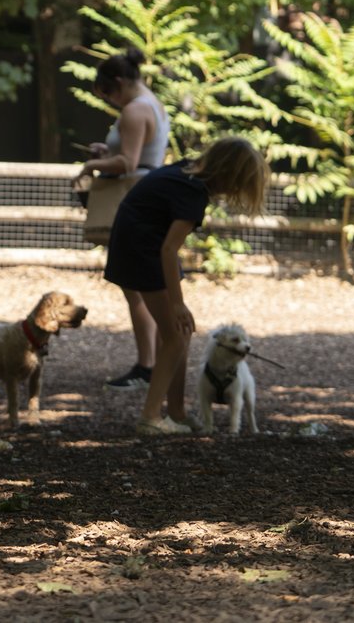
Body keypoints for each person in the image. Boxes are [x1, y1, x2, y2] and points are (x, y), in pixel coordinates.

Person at [102, 137, 269, 436]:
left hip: (139, 243)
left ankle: (176, 413)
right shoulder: (193, 192)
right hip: (142, 250)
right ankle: (150, 417)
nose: (235, 192)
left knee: (180, 333)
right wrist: (177, 304)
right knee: (176, 337)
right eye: (239, 184)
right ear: (229, 175)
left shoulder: (186, 172)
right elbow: (168, 250)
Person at [73, 48, 171, 391]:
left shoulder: (133, 110)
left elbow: (128, 163)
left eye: (108, 95)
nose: (112, 103)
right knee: (144, 285)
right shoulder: (153, 103)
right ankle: (155, 361)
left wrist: (91, 165)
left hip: (134, 200)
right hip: (149, 196)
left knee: (135, 288)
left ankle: (147, 366)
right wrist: (107, 152)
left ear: (118, 83)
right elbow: (139, 155)